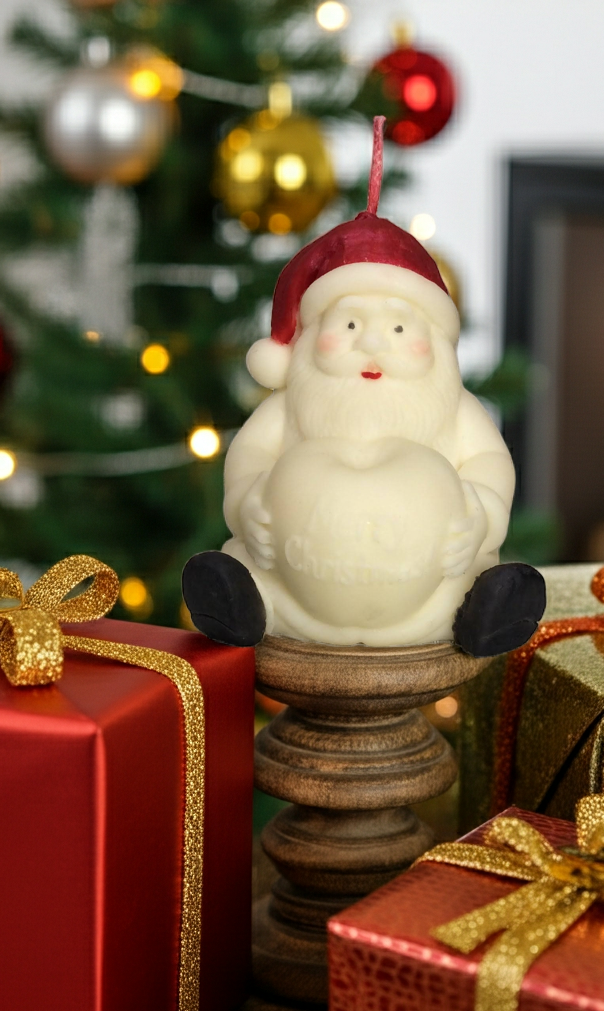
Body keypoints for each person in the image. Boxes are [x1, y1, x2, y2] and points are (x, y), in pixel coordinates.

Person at [183, 119, 544, 655]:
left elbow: (491, 467)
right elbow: (251, 457)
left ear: (435, 340)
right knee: (246, 565)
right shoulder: (290, 408)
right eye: (348, 325)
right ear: (308, 339)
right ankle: (245, 601)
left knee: (471, 581)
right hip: (291, 589)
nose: (372, 343)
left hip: (431, 598)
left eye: (399, 328)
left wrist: (481, 519)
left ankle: (481, 611)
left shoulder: (455, 412)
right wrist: (248, 503)